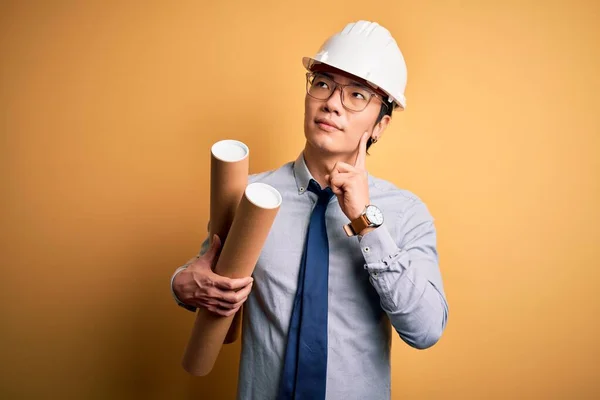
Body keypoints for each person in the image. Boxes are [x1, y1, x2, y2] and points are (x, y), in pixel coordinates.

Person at [170, 20, 449, 400]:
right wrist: (181, 285)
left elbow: (426, 329)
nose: (332, 102)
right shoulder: (249, 194)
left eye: (356, 95)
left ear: (381, 125)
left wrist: (365, 219)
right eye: (322, 84)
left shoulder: (405, 213)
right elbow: (207, 278)